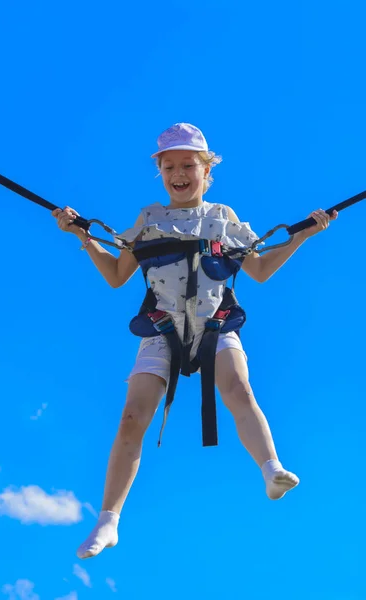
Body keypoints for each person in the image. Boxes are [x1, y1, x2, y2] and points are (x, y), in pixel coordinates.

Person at [52, 123, 338, 560]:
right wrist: (83, 237)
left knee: (239, 389)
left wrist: (301, 237)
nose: (179, 173)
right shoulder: (148, 220)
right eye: (169, 166)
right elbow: (115, 276)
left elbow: (259, 270)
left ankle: (271, 469)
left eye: (188, 165)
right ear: (160, 173)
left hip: (215, 325)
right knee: (132, 417)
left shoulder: (224, 218)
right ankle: (108, 520)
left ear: (207, 171)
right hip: (162, 328)